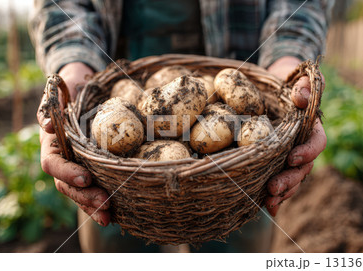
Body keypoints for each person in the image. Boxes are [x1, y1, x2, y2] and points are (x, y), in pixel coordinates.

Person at [29, 0, 330, 252]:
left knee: (236, 237)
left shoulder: (212, 95)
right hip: (118, 68)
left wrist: (285, 69)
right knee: (114, 234)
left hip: (248, 69)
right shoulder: (137, 105)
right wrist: (74, 68)